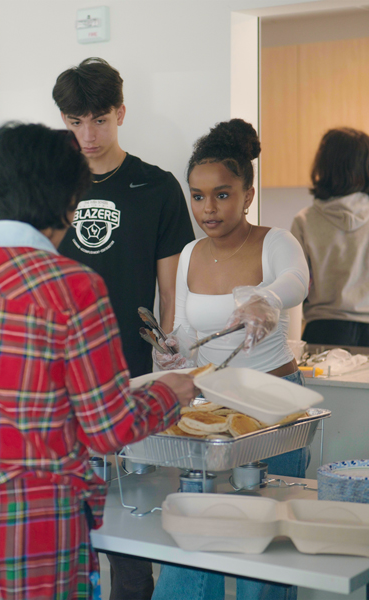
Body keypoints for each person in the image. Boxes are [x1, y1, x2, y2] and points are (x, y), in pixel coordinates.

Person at [0, 122, 199, 600]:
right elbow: (107, 427)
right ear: (66, 201)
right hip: (36, 545)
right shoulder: (72, 287)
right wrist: (169, 392)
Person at [53, 57, 195, 600]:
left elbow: (171, 289)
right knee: (68, 520)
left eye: (99, 121)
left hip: (130, 375)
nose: (87, 136)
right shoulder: (52, 189)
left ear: (121, 113)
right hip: (59, 376)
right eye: (74, 123)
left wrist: (169, 351)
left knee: (132, 522)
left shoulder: (156, 187)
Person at [152, 118, 310, 600]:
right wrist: (172, 349)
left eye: (222, 194)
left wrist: (267, 299)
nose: (208, 208)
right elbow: (183, 330)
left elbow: (297, 282)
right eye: (198, 196)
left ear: (248, 193)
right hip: (213, 411)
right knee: (198, 534)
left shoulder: (275, 241)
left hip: (273, 409)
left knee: (262, 544)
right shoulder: (189, 253)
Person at [291, 127, 369, 347]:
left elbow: (296, 286)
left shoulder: (305, 220)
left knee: (321, 384)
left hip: (324, 331)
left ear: (324, 165)